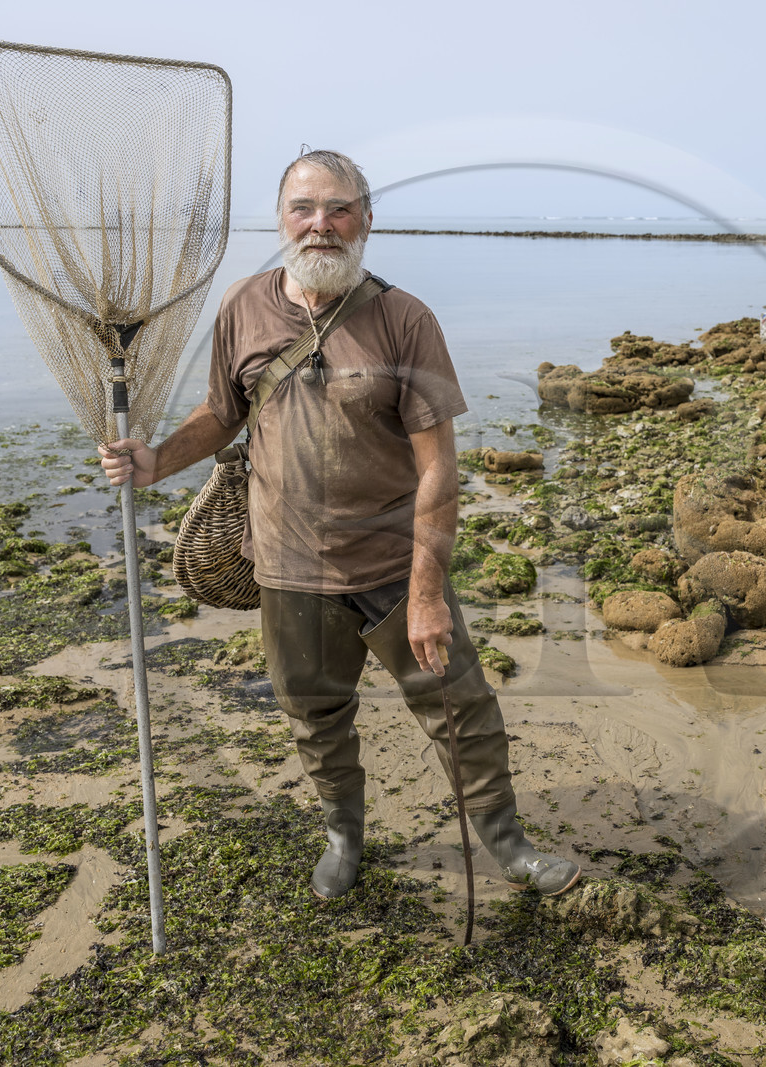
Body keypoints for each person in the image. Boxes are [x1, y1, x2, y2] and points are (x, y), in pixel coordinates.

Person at [99, 149, 579, 901]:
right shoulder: (243, 306)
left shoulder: (404, 319)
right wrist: (157, 460)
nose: (321, 224)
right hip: (287, 568)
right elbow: (223, 414)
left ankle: (509, 843)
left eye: (339, 209)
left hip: (393, 566)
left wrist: (426, 594)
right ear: (282, 219)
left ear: (366, 220)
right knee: (315, 714)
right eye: (304, 208)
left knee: (461, 708)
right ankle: (343, 835)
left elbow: (439, 469)